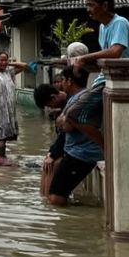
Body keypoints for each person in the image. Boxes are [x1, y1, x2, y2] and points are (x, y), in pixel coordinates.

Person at [47, 66, 104, 206]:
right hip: (76, 152)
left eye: (63, 80)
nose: (61, 84)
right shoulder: (76, 98)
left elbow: (65, 125)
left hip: (81, 154)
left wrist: (65, 120)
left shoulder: (82, 99)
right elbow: (62, 121)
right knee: (54, 195)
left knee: (55, 199)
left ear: (69, 81)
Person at [78, 0, 129, 85]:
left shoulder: (120, 22)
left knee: (80, 100)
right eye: (87, 6)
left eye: (91, 5)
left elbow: (115, 52)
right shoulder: (102, 26)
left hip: (120, 78)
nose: (88, 10)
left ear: (105, 6)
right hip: (106, 78)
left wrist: (83, 58)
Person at [0, 52, 29, 156]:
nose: (4, 62)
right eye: (1, 60)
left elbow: (25, 65)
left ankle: (0, 157)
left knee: (5, 137)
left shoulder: (9, 73)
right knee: (1, 137)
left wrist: (8, 64)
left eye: (6, 60)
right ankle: (0, 159)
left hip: (9, 110)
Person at [33, 81, 67, 197]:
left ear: (53, 98)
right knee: (47, 163)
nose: (50, 108)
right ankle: (44, 199)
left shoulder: (70, 104)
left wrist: (53, 155)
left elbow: (65, 136)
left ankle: (48, 201)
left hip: (75, 147)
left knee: (53, 165)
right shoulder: (63, 107)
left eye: (49, 105)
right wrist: (51, 153)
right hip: (66, 146)